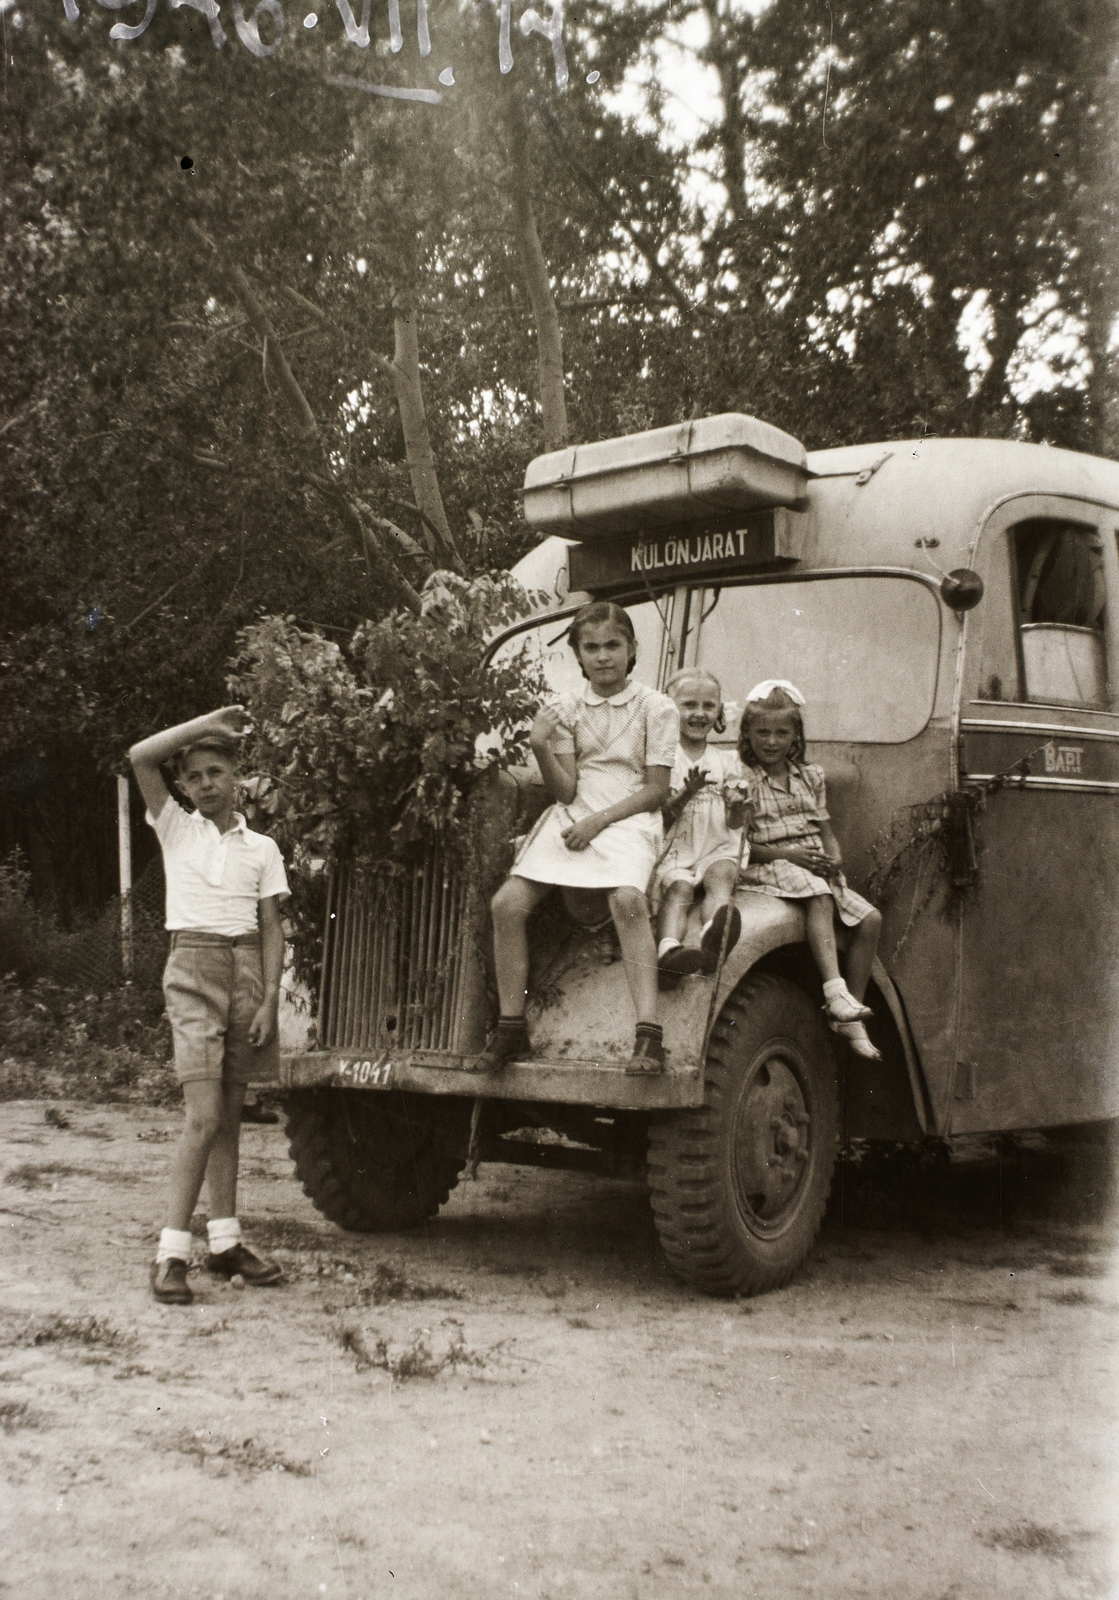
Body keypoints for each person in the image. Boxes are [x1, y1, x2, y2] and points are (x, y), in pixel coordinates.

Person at [129, 706, 289, 1304]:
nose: (204, 785)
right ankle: (170, 1253)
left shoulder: (263, 848)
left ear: (237, 776)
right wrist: (204, 724)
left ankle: (224, 1243)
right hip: (192, 970)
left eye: (215, 771)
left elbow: (272, 928)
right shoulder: (175, 827)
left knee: (228, 1116)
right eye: (193, 776)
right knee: (202, 1118)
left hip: (247, 973)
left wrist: (270, 997)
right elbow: (140, 757)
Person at [484, 601, 679, 1076]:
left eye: (613, 645)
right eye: (590, 647)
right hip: (574, 813)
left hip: (630, 816)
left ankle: (649, 1038)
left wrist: (599, 822)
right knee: (507, 905)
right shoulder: (568, 708)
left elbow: (657, 790)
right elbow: (567, 789)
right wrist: (538, 745)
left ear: (632, 650)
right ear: (578, 655)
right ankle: (512, 1028)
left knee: (628, 902)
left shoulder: (657, 707)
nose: (603, 656)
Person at [737, 680, 883, 1059]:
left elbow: (825, 831)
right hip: (769, 866)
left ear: (796, 736)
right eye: (762, 732)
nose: (771, 741)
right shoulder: (744, 779)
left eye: (782, 733)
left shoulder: (810, 777)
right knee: (819, 898)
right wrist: (792, 856)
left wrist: (834, 859)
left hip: (813, 868)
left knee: (870, 920)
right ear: (747, 733)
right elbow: (741, 847)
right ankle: (833, 990)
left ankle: (850, 1012)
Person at [652, 669, 751, 988]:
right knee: (677, 890)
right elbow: (661, 818)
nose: (699, 713)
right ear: (670, 709)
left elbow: (736, 823)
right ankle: (669, 952)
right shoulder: (663, 760)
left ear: (719, 711)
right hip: (676, 848)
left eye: (709, 706)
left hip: (717, 844)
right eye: (689, 705)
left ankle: (714, 939)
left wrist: (736, 806)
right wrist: (687, 793)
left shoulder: (728, 761)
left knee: (720, 876)